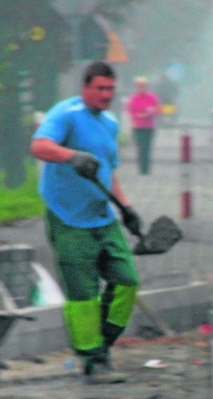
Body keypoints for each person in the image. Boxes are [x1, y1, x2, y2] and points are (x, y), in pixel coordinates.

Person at [30, 60, 144, 382]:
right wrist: (71, 155)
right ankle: (92, 359)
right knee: (83, 292)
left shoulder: (109, 123)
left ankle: (103, 342)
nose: (106, 95)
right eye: (100, 88)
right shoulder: (65, 114)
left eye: (110, 89)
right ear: (85, 87)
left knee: (127, 280)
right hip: (68, 217)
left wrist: (126, 208)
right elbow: (38, 146)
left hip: (103, 217)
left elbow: (110, 173)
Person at [125, 76, 161, 175]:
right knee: (140, 148)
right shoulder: (133, 98)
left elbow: (158, 109)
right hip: (137, 127)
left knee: (147, 148)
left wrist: (149, 113)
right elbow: (130, 111)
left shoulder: (152, 97)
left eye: (143, 86)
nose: (141, 88)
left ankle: (147, 169)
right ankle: (141, 169)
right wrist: (140, 115)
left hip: (149, 127)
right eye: (139, 86)